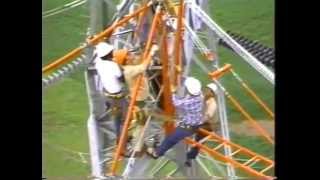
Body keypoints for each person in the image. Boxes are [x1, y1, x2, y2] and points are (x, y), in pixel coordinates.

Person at [114, 44, 159, 156]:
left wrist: (145, 53)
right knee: (141, 124)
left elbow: (140, 63)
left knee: (138, 123)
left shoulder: (129, 67)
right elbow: (143, 67)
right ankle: (137, 148)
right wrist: (152, 52)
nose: (131, 55)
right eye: (128, 55)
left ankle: (128, 141)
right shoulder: (129, 70)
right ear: (125, 59)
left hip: (139, 100)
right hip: (139, 101)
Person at [146, 77, 205, 161]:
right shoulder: (200, 95)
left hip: (188, 127)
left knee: (171, 139)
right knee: (173, 135)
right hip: (197, 122)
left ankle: (156, 153)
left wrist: (173, 91)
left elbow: (176, 102)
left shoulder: (188, 103)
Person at [94, 42, 127, 142]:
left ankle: (119, 135)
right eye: (111, 51)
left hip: (106, 93)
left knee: (114, 113)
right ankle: (120, 139)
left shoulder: (98, 64)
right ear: (108, 54)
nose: (113, 52)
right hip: (117, 96)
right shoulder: (113, 65)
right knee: (120, 117)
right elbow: (122, 79)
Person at [183, 82, 221, 166]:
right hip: (203, 121)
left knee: (198, 141)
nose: (205, 90)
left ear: (212, 93)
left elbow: (208, 115)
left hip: (209, 125)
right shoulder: (204, 98)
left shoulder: (212, 103)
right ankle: (188, 155)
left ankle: (189, 157)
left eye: (207, 90)